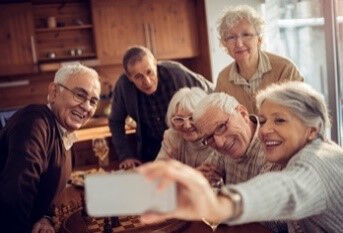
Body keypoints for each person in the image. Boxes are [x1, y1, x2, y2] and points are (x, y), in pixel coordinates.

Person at [138, 81, 343, 233]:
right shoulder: (289, 153)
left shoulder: (319, 161)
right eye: (263, 121)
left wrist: (218, 204)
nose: (265, 130)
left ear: (312, 130)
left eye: (280, 120)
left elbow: (286, 189)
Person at [0, 64, 101, 233]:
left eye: (93, 101)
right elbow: (17, 193)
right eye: (79, 95)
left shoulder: (63, 132)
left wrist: (44, 217)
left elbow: (45, 189)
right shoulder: (34, 121)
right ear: (54, 92)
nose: (87, 107)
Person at [109, 46, 212, 170]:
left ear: (155, 65)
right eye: (138, 77)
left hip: (185, 146)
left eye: (149, 72)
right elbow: (115, 121)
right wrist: (126, 155)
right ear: (130, 78)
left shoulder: (176, 73)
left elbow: (211, 93)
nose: (147, 82)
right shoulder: (123, 87)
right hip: (151, 151)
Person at [215, 5, 303, 114]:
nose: (239, 43)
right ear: (224, 43)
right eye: (231, 37)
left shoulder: (285, 69)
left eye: (246, 35)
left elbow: (299, 116)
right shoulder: (223, 79)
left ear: (259, 39)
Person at [192, 92, 280, 184]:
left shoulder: (272, 149)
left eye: (221, 127)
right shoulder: (220, 141)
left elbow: (258, 197)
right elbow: (202, 177)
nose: (220, 143)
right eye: (209, 137)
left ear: (243, 113)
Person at [155, 87, 220, 180]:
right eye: (179, 119)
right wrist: (191, 174)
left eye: (192, 117)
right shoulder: (172, 136)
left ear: (205, 116)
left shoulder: (219, 138)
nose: (187, 126)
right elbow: (156, 172)